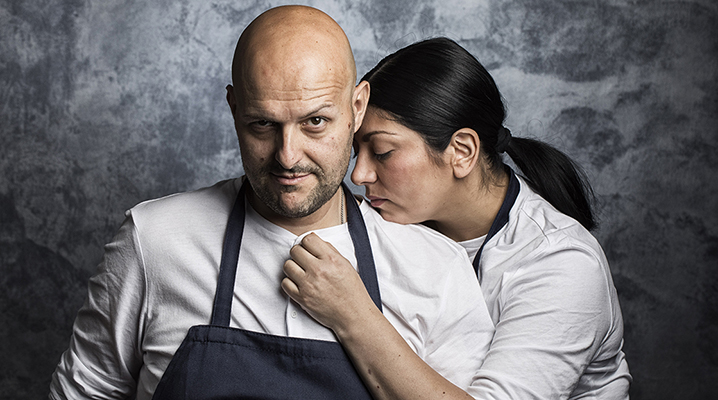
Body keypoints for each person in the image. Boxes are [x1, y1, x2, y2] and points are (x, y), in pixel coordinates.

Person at [49, 10, 494, 399]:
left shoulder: (435, 268)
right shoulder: (153, 241)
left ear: (357, 108)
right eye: (262, 124)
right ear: (233, 107)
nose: (287, 156)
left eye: (315, 122)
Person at [282, 37, 632, 399]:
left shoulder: (563, 265)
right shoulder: (396, 219)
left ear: (461, 151)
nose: (359, 175)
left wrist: (351, 313)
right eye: (357, 152)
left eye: (383, 152)